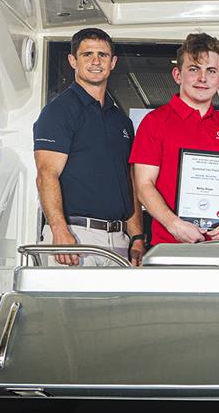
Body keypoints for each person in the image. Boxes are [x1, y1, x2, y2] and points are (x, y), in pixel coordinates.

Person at [33, 28, 144, 266]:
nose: (96, 61)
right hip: (75, 238)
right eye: (87, 54)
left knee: (117, 305)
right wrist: (59, 231)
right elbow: (46, 174)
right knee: (70, 305)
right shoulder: (59, 111)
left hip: (118, 240)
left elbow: (129, 182)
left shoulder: (120, 120)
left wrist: (136, 237)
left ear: (113, 62)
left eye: (103, 55)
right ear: (73, 60)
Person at [130, 33, 219, 245]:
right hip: (169, 246)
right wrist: (173, 224)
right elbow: (143, 185)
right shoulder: (155, 122)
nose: (203, 78)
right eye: (194, 69)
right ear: (177, 74)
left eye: (211, 71)